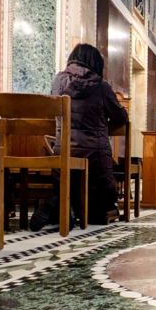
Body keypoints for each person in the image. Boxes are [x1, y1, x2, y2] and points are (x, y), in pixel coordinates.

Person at [30, 43, 128, 230]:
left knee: (68, 183)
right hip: (95, 158)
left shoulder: (58, 82)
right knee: (104, 202)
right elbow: (120, 118)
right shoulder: (101, 86)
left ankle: (59, 205)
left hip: (62, 155)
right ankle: (70, 207)